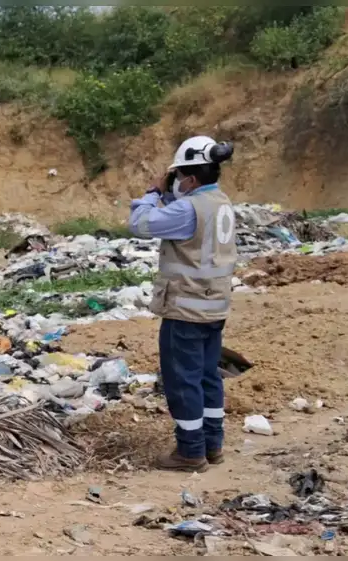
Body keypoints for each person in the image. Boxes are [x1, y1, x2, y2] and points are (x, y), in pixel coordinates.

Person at [127, 135, 238, 473]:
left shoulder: (189, 207)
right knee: (207, 376)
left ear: (189, 179)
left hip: (186, 310)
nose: (174, 182)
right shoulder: (221, 202)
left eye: (177, 177)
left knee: (182, 379)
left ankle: (190, 451)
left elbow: (140, 224)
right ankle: (212, 445)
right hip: (214, 307)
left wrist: (152, 193)